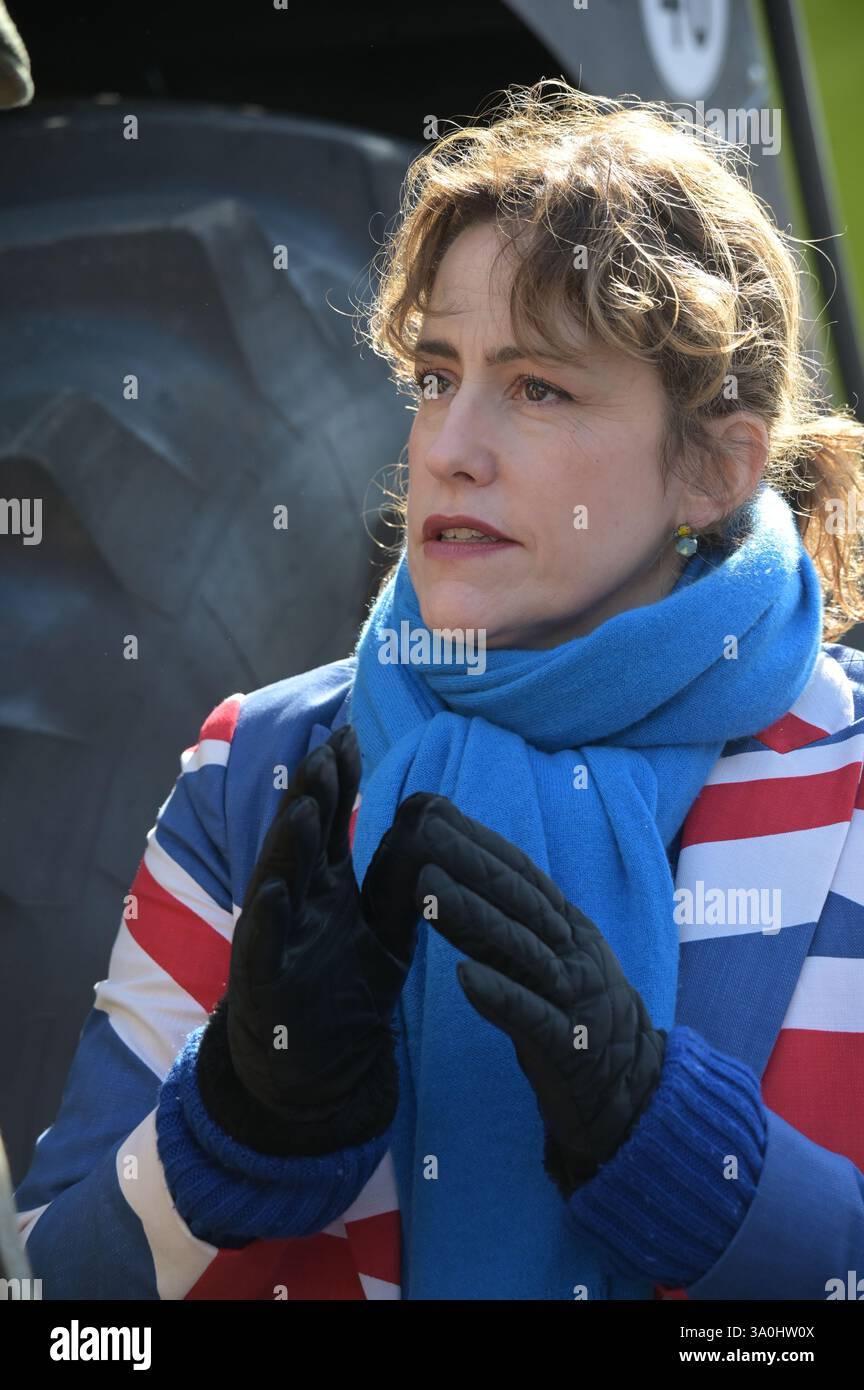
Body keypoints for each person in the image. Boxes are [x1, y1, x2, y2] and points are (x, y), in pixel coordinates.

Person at [14, 79, 864, 1301]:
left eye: (538, 388)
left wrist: (688, 1156)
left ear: (713, 467)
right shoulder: (254, 773)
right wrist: (230, 1131)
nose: (448, 445)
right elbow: (53, 1307)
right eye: (433, 373)